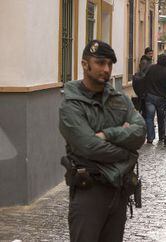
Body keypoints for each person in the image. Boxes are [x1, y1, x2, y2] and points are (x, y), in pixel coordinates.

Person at [59, 40, 146, 242]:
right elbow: (88, 146)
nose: (106, 69)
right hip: (89, 191)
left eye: (109, 64)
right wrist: (127, 152)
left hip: (119, 190)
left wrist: (108, 135)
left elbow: (141, 131)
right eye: (100, 63)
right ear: (84, 64)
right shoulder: (70, 105)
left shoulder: (119, 99)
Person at [144, 54, 166, 144]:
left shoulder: (150, 68)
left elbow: (144, 79)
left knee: (149, 118)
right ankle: (161, 136)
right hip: (161, 99)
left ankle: (150, 138)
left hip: (149, 97)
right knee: (161, 118)